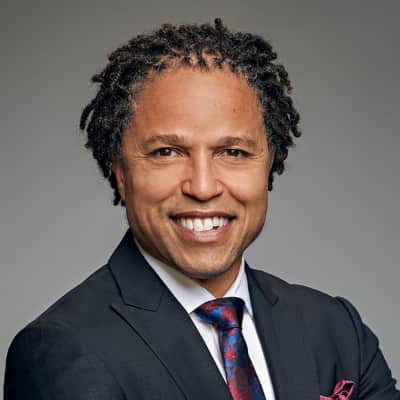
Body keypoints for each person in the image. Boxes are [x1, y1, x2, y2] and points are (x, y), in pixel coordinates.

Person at [4, 18, 399, 400]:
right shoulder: (64, 350)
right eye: (166, 152)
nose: (203, 187)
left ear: (269, 163)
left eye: (233, 152)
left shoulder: (336, 330)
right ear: (121, 173)